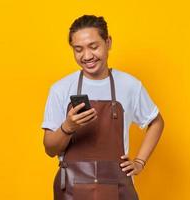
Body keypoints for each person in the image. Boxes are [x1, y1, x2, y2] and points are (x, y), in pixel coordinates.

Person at [41, 14, 164, 200]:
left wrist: (140, 162)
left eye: (94, 46)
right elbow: (50, 149)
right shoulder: (60, 89)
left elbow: (156, 122)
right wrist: (68, 127)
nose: (87, 56)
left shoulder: (130, 85)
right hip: (71, 189)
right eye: (78, 49)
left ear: (108, 42)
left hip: (118, 187)